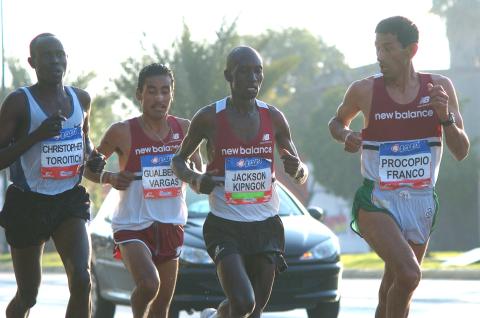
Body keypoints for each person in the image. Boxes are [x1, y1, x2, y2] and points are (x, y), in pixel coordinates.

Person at [328, 16, 470, 318]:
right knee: (409, 274)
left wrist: (444, 117)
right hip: (376, 199)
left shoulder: (439, 88)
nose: (380, 56)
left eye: (388, 48)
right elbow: (336, 121)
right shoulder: (364, 90)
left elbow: (461, 150)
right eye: (377, 48)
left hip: (421, 202)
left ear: (411, 50)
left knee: (395, 286)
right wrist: (346, 135)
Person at [171, 46, 308, 318]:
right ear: (228, 75)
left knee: (252, 311)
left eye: (258, 71)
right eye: (244, 72)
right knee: (243, 303)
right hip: (225, 226)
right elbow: (177, 162)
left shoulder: (274, 118)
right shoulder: (209, 117)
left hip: (267, 225)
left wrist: (298, 169)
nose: (252, 78)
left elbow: (300, 172)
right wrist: (196, 180)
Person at [85, 63, 202, 318]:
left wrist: (194, 174)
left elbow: (198, 177)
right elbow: (89, 169)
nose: (159, 98)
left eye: (165, 91)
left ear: (172, 94)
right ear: (139, 94)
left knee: (161, 308)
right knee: (149, 284)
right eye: (151, 91)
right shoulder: (121, 131)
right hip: (132, 225)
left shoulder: (185, 129)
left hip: (171, 224)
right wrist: (110, 177)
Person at [0, 33, 93, 317]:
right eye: (47, 55)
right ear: (32, 62)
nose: (55, 61)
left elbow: (85, 145)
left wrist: (93, 159)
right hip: (28, 203)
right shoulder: (19, 102)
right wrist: (37, 135)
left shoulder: (81, 99)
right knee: (28, 295)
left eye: (60, 54)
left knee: (82, 280)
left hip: (68, 200)